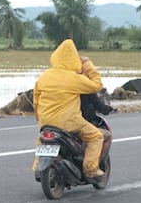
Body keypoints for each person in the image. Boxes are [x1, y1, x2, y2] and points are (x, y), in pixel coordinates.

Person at [33, 38, 106, 179]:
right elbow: (96, 86)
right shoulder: (73, 78)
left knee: (41, 140)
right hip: (70, 122)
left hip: (46, 121)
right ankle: (91, 170)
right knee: (96, 137)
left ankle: (37, 167)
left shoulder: (44, 76)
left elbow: (36, 101)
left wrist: (40, 119)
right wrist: (88, 65)